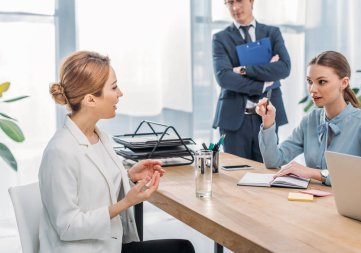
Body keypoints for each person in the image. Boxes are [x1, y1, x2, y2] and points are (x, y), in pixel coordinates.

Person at [39, 51, 195, 253]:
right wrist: (126, 203)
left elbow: (95, 186)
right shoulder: (59, 151)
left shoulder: (97, 135)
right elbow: (67, 227)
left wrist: (130, 176)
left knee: (182, 248)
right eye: (114, 87)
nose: (120, 93)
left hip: (110, 244)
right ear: (90, 99)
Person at [256, 51, 361, 186]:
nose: (312, 89)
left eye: (322, 82)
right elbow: (273, 161)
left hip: (350, 204)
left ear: (344, 83)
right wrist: (268, 123)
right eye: (309, 81)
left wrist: (316, 174)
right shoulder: (310, 120)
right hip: (312, 201)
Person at [212, 0, 291, 162]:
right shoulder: (220, 38)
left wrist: (244, 70)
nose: (235, 7)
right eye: (230, 3)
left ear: (251, 1)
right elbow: (224, 78)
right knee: (235, 175)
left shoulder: (272, 33)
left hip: (266, 116)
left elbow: (284, 68)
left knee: (267, 170)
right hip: (234, 118)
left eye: (239, 1)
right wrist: (261, 84)